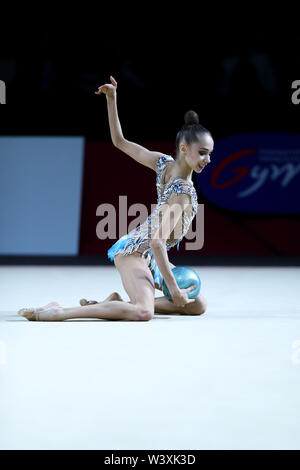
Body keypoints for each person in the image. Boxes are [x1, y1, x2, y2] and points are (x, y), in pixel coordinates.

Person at [18, 76, 213, 322]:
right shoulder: (183, 193)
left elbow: (120, 141)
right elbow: (156, 242)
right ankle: (60, 311)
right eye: (203, 153)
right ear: (184, 148)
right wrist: (173, 289)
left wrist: (112, 99)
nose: (208, 160)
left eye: (210, 154)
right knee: (144, 312)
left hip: (149, 255)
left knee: (198, 304)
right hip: (134, 252)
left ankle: (116, 304)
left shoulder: (163, 163)